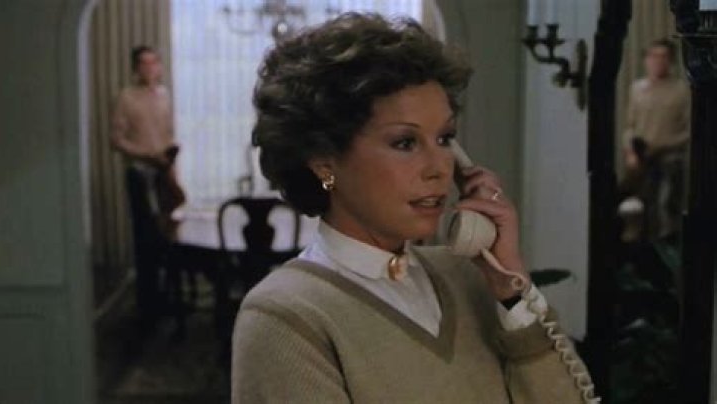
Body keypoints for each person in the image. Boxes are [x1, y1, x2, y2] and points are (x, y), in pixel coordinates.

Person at [231, 13, 593, 403]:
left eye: (444, 138)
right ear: (324, 163)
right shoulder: (285, 317)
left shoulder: (473, 277)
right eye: (405, 142)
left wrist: (512, 290)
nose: (439, 168)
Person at [111, 45, 183, 331]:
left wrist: (169, 163)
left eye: (154, 63)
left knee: (166, 235)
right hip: (140, 175)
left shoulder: (164, 95)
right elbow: (116, 140)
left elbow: (167, 134)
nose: (149, 68)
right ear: (135, 68)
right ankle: (147, 304)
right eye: (143, 63)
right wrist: (146, 156)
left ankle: (166, 297)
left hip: (163, 173)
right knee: (145, 238)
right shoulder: (126, 97)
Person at [622, 39, 690, 241]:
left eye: (663, 57)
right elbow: (630, 126)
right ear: (646, 60)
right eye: (653, 56)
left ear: (671, 61)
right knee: (641, 205)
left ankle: (667, 243)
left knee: (665, 203)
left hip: (670, 156)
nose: (657, 61)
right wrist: (630, 152)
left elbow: (689, 130)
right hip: (642, 157)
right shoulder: (637, 89)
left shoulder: (682, 90)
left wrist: (663, 145)